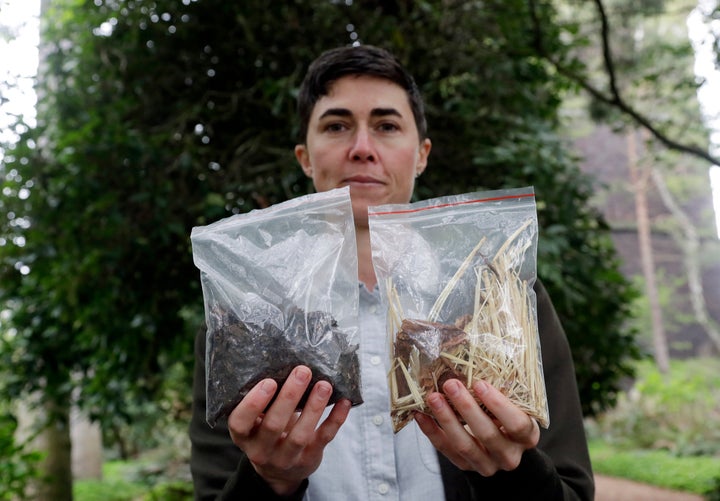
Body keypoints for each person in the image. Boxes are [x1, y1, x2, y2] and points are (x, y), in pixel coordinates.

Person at [189, 44, 595, 500]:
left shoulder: (502, 299)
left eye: (386, 126)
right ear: (305, 157)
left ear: (421, 154)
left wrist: (509, 473)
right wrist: (270, 481)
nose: (362, 148)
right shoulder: (245, 321)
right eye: (337, 126)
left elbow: (572, 491)